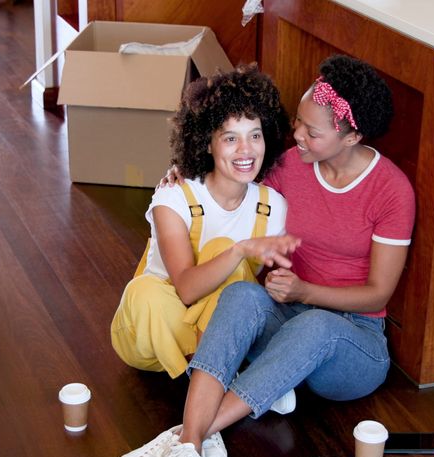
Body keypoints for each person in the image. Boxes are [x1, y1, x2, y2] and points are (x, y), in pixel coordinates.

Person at [113, 55, 416, 457]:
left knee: (316, 325)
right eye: (297, 122)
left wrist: (305, 292)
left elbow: (379, 293)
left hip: (355, 337)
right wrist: (178, 176)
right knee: (239, 294)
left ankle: (185, 438)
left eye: (312, 132)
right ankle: (196, 444)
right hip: (287, 317)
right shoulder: (292, 164)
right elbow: (228, 164)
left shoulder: (391, 191)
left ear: (351, 136)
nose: (296, 137)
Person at [110, 65, 300, 382]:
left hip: (219, 331)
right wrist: (240, 251)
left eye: (255, 135)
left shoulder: (273, 208)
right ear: (207, 143)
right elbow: (185, 289)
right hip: (156, 330)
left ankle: (205, 378)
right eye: (230, 138)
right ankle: (226, 377)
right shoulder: (174, 197)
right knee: (143, 291)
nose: (246, 150)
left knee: (233, 272)